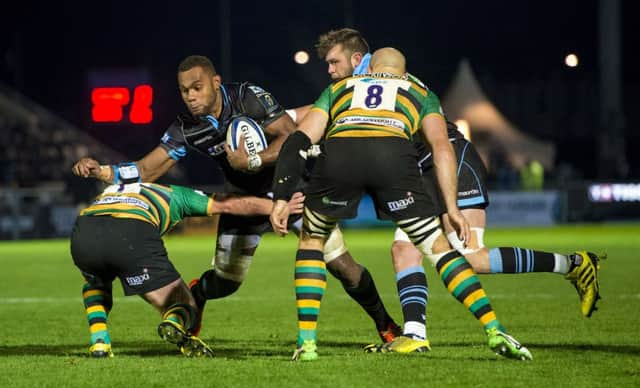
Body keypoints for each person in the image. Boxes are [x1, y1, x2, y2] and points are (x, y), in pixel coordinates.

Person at [71, 55, 401, 344]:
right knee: (227, 282)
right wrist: (102, 171)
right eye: (185, 90)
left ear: (215, 82)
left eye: (197, 87)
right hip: (242, 200)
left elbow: (290, 136)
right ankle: (198, 294)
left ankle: (386, 325)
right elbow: (146, 169)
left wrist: (254, 161)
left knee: (341, 264)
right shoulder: (186, 127)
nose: (191, 96)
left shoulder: (248, 97)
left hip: (291, 190)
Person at [291, 27, 603, 320]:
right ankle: (414, 334)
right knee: (403, 249)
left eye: (334, 62)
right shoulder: (357, 84)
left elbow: (318, 113)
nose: (329, 70)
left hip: (450, 159)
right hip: (418, 170)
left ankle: (573, 264)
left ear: (357, 60)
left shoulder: (376, 76)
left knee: (472, 259)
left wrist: (281, 118)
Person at [270, 47, 532, 361]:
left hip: (341, 157)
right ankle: (494, 329)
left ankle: (307, 344)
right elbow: (442, 149)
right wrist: (451, 207)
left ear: (368, 70)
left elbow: (299, 140)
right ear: (403, 74)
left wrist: (282, 197)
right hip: (393, 159)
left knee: (312, 241)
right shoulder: (420, 92)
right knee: (438, 249)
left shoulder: (339, 89)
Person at [70, 182, 304, 358]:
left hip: (84, 232)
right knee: (186, 302)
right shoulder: (176, 195)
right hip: (130, 232)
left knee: (96, 282)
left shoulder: (114, 189)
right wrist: (277, 206)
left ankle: (100, 340)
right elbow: (231, 204)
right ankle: (176, 319)